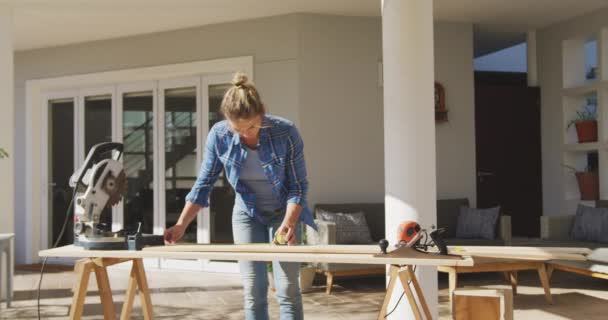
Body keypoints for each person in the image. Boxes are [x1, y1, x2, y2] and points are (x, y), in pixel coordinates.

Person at [164, 72, 315, 320]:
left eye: (252, 126)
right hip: (247, 213)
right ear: (227, 120)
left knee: (288, 289)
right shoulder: (219, 135)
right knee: (254, 290)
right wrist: (182, 224)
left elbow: (298, 187)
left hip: (284, 213)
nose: (246, 135)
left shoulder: (286, 132)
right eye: (239, 129)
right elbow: (204, 184)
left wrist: (288, 224)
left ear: (263, 111)